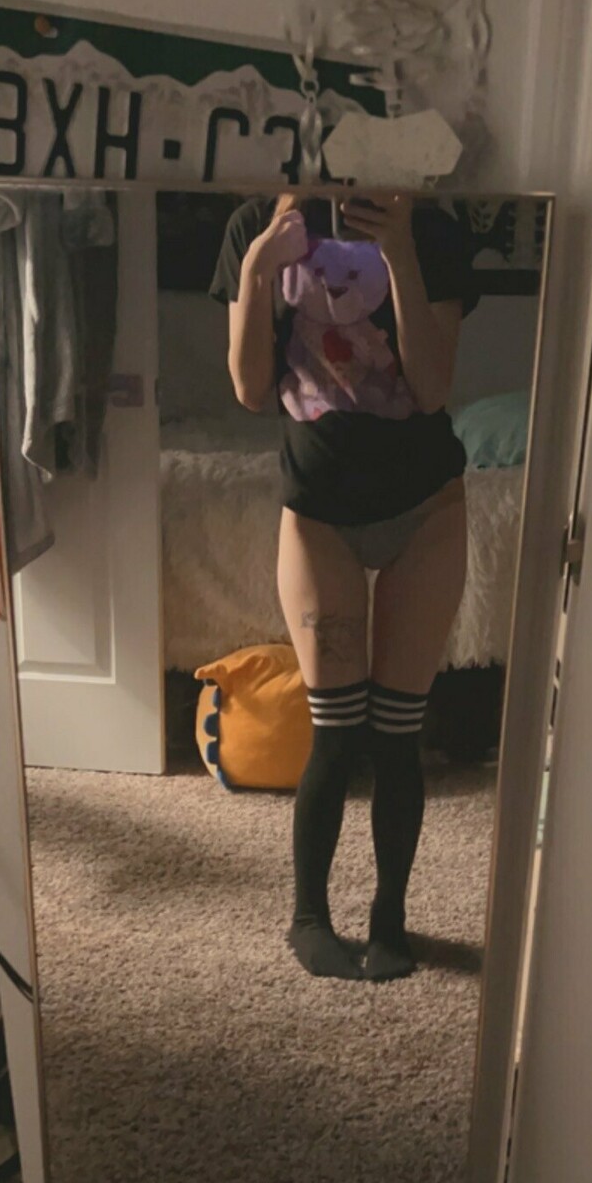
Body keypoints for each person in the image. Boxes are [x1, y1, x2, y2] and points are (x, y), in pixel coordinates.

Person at [210, 189, 475, 982]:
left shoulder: (430, 227)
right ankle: (309, 919)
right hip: (317, 510)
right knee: (333, 729)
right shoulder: (253, 224)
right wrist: (257, 270)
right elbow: (250, 390)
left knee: (396, 732)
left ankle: (389, 920)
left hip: (426, 508)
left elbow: (431, 387)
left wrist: (400, 254)